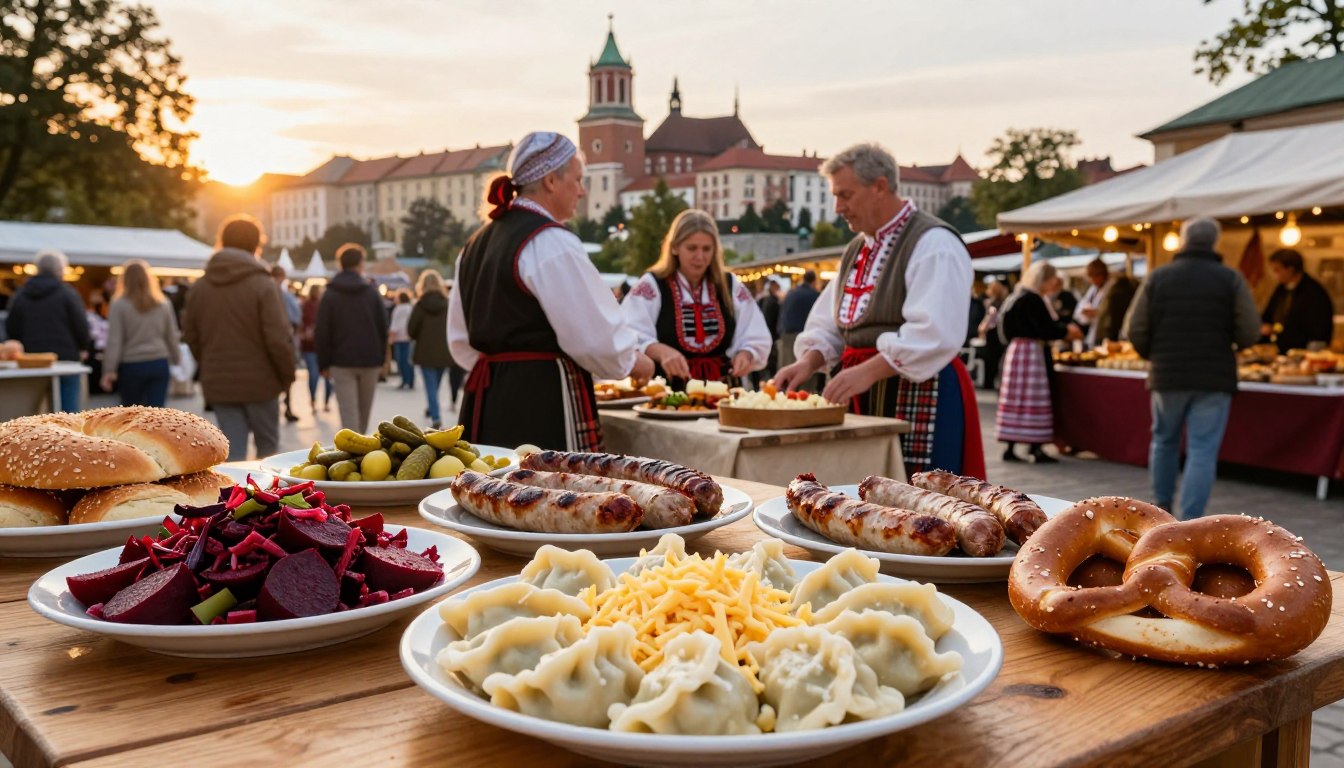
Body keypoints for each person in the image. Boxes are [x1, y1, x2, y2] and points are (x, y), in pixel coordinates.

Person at [773, 143, 984, 477]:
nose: (838, 207)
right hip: (861, 392)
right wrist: (807, 362)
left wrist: (867, 372)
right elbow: (832, 323)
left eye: (846, 195)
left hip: (919, 391)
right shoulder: (857, 248)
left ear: (880, 187)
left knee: (924, 506)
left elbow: (933, 334)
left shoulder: (934, 244)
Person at [449, 131, 654, 451]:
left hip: (486, 396)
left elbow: (460, 340)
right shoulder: (551, 242)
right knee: (549, 494)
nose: (583, 191)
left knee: (489, 489)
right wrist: (632, 360)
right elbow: (593, 336)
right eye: (578, 179)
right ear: (550, 181)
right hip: (543, 397)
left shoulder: (474, 245)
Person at [1123, 218, 1260, 519]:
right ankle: (1192, 519)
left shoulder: (1159, 277)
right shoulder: (1230, 279)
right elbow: (1250, 331)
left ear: (1183, 241)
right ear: (1214, 242)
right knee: (1202, 450)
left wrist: (1155, 356)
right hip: (1214, 376)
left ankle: (1161, 508)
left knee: (1163, 441)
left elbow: (1134, 328)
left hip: (1167, 373)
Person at [182, 216, 295, 460]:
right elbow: (277, 338)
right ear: (257, 245)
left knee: (232, 454)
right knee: (269, 455)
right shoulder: (263, 284)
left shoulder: (201, 287)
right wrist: (287, 376)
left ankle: (234, 497)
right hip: (262, 382)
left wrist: (210, 362)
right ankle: (269, 498)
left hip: (220, 382)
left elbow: (190, 335)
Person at [623, 209, 771, 387]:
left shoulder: (729, 285)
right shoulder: (652, 285)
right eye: (692, 248)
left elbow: (755, 333)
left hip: (723, 391)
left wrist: (747, 354)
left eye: (707, 249)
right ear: (675, 247)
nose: (700, 257)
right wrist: (660, 351)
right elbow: (628, 333)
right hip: (669, 393)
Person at [995, 262, 1082, 463]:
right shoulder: (1033, 299)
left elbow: (1003, 330)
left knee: (1016, 398)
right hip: (1031, 352)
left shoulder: (1015, 296)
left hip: (1015, 352)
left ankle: (1011, 445)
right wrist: (1066, 331)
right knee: (1033, 398)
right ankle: (1036, 447)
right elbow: (1045, 328)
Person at [4, 250, 91, 411]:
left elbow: (12, 328)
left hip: (31, 361)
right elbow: (81, 324)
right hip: (66, 358)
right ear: (60, 270)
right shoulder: (67, 293)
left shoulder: (21, 295)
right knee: (68, 412)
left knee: (34, 410)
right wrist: (84, 347)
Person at [316, 244, 388, 434]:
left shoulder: (330, 293)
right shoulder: (371, 292)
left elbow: (322, 330)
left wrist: (323, 364)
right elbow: (383, 327)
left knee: (349, 416)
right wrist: (381, 359)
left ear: (341, 264)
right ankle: (362, 457)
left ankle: (351, 455)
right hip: (370, 360)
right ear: (360, 264)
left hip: (341, 361)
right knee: (364, 415)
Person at [101, 259, 180, 407]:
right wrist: (177, 359)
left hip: (131, 365)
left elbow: (115, 340)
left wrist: (109, 370)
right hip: (159, 362)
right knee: (156, 415)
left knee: (132, 415)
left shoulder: (119, 304)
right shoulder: (163, 303)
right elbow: (171, 334)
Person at [1260, 248, 1335, 353]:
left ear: (1290, 269)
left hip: (1304, 351)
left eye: (1277, 270)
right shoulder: (1280, 290)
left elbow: (1319, 331)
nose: (1275, 275)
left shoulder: (1314, 292)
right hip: (1280, 350)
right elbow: (1268, 316)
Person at [408, 271, 455, 428]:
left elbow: (411, 330)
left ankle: (435, 416)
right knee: (435, 385)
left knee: (430, 386)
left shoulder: (420, 305)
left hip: (425, 352)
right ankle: (432, 408)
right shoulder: (448, 305)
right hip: (444, 352)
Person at [270, 265, 301, 422]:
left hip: (268, 345)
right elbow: (296, 318)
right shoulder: (285, 296)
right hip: (284, 341)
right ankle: (287, 407)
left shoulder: (259, 292)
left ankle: (279, 407)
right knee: (287, 376)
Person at [776, 268, 820, 371]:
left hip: (786, 336)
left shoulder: (791, 293)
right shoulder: (814, 295)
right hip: (804, 338)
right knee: (805, 374)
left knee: (788, 372)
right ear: (814, 281)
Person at [299, 284, 333, 414]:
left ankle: (322, 401)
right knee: (316, 376)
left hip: (318, 346)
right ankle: (316, 401)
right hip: (312, 346)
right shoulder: (306, 305)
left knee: (323, 377)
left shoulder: (322, 306)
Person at [977, 280, 1009, 389]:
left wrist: (983, 327)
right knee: (995, 359)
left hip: (992, 334)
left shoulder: (993, 303)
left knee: (990, 359)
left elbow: (991, 318)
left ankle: (988, 382)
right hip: (998, 334)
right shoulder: (1003, 302)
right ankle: (992, 381)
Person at [1072, 258, 1111, 346]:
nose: (1091, 280)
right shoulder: (1093, 289)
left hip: (1105, 332)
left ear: (1101, 275)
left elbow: (1111, 313)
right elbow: (1080, 309)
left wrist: (1098, 313)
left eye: (1093, 276)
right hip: (1092, 333)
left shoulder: (1111, 288)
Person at [755, 280, 783, 383]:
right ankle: (772, 381)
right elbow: (775, 320)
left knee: (769, 360)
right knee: (771, 361)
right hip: (770, 334)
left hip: (766, 333)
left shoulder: (765, 300)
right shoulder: (773, 302)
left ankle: (766, 380)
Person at [389, 290, 415, 389]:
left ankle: (405, 380)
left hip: (399, 337)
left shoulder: (398, 309)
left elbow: (395, 325)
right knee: (408, 361)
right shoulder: (410, 308)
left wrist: (391, 336)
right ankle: (410, 381)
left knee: (401, 361)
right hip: (409, 337)